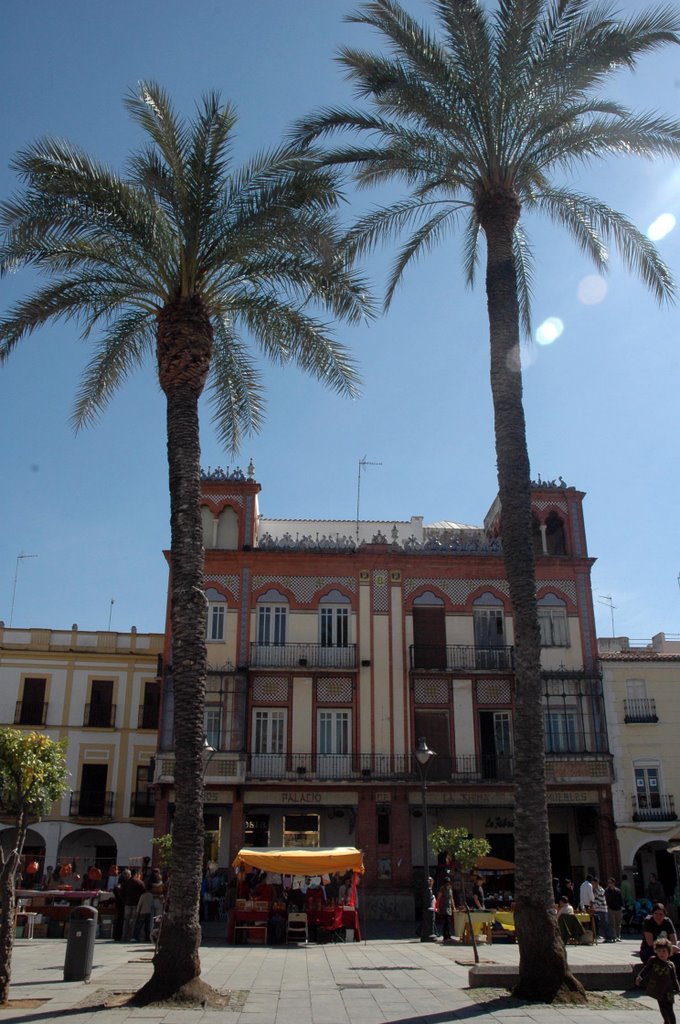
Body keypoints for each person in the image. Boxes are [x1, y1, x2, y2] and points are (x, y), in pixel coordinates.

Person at [636, 938, 680, 1024]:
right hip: (658, 990)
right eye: (659, 951)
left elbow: (674, 979)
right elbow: (646, 969)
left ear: (669, 952)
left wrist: (678, 989)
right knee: (662, 1007)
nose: (661, 954)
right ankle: (666, 1021)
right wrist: (640, 977)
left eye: (664, 951)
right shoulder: (653, 960)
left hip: (668, 991)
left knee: (669, 1009)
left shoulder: (670, 965)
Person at [121, 868, 146, 941]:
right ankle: (131, 936)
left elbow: (121, 893)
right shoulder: (139, 882)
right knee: (133, 921)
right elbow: (144, 892)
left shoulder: (125, 883)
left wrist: (124, 901)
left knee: (126, 921)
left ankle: (124, 936)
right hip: (136, 904)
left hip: (128, 904)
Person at [605, 877, 624, 942]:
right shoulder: (607, 891)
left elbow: (621, 899)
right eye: (608, 883)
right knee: (612, 923)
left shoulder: (618, 891)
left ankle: (618, 936)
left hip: (618, 909)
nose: (609, 884)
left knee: (618, 924)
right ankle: (614, 936)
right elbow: (606, 899)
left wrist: (622, 907)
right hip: (611, 909)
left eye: (610, 883)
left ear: (613, 883)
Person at [592, 877, 609, 942]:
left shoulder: (601, 890)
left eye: (593, 883)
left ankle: (608, 937)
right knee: (600, 924)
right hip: (597, 909)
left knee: (604, 923)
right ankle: (604, 936)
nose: (592, 884)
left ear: (596, 883)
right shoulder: (594, 890)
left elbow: (600, 900)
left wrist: (594, 907)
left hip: (602, 909)